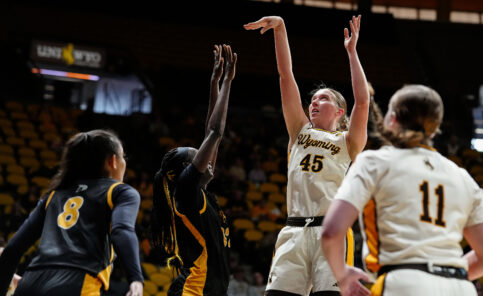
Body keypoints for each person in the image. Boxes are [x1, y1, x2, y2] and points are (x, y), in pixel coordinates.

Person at [321, 85, 483, 296]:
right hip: (461, 287)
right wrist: (444, 276)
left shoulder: (375, 161)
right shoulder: (463, 176)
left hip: (403, 281)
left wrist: (342, 275)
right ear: (434, 128)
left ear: (392, 119)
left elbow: (331, 231)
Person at [244, 15, 369, 296]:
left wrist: (352, 52)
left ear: (339, 111)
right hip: (294, 231)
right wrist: (280, 28)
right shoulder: (299, 130)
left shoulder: (348, 142)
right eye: (312, 99)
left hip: (331, 232)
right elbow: (286, 75)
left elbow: (363, 101)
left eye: (323, 98)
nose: (314, 102)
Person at [0, 129, 144, 296]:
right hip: (76, 282)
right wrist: (135, 278)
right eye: (123, 157)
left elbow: (12, 250)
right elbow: (121, 231)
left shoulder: (53, 195)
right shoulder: (120, 191)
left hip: (31, 282)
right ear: (113, 161)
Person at [151, 45, 236, 296]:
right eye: (199, 157)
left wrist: (214, 83)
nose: (207, 160)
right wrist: (228, 82)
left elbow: (212, 135)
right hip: (193, 291)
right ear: (188, 171)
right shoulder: (186, 192)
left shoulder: (197, 194)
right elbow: (215, 132)